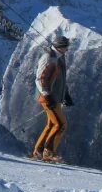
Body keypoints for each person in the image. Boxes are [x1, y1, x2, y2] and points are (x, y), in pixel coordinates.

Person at [31, 34, 74, 162]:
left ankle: (38, 152)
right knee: (60, 124)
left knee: (51, 124)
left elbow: (60, 79)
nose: (68, 49)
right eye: (66, 47)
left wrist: (65, 94)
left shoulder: (60, 57)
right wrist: (47, 95)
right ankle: (48, 153)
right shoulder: (49, 58)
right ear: (60, 47)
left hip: (54, 96)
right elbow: (40, 79)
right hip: (48, 96)